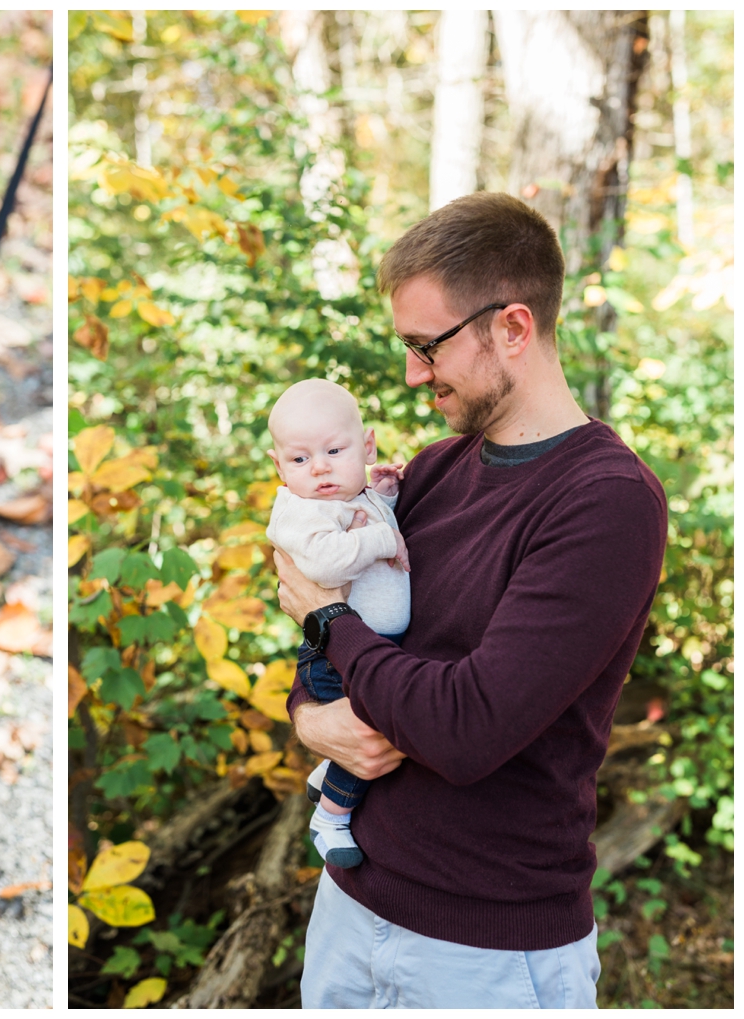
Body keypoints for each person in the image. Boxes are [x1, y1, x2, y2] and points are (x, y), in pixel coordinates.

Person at [275, 191, 665, 1008]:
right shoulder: (434, 471)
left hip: (488, 953)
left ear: (513, 328)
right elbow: (339, 657)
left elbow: (466, 725)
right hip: (350, 910)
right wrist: (308, 718)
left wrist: (324, 617)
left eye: (428, 346)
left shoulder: (606, 501)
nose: (414, 373)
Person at [262, 378, 409, 869]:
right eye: (300, 459)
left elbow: (363, 519)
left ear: (366, 447)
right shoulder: (300, 511)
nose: (320, 467)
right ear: (279, 467)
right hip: (334, 653)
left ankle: (327, 772)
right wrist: (387, 541)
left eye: (334, 450)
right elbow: (327, 564)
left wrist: (384, 495)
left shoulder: (348, 496)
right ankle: (331, 816)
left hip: (373, 644)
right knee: (368, 728)